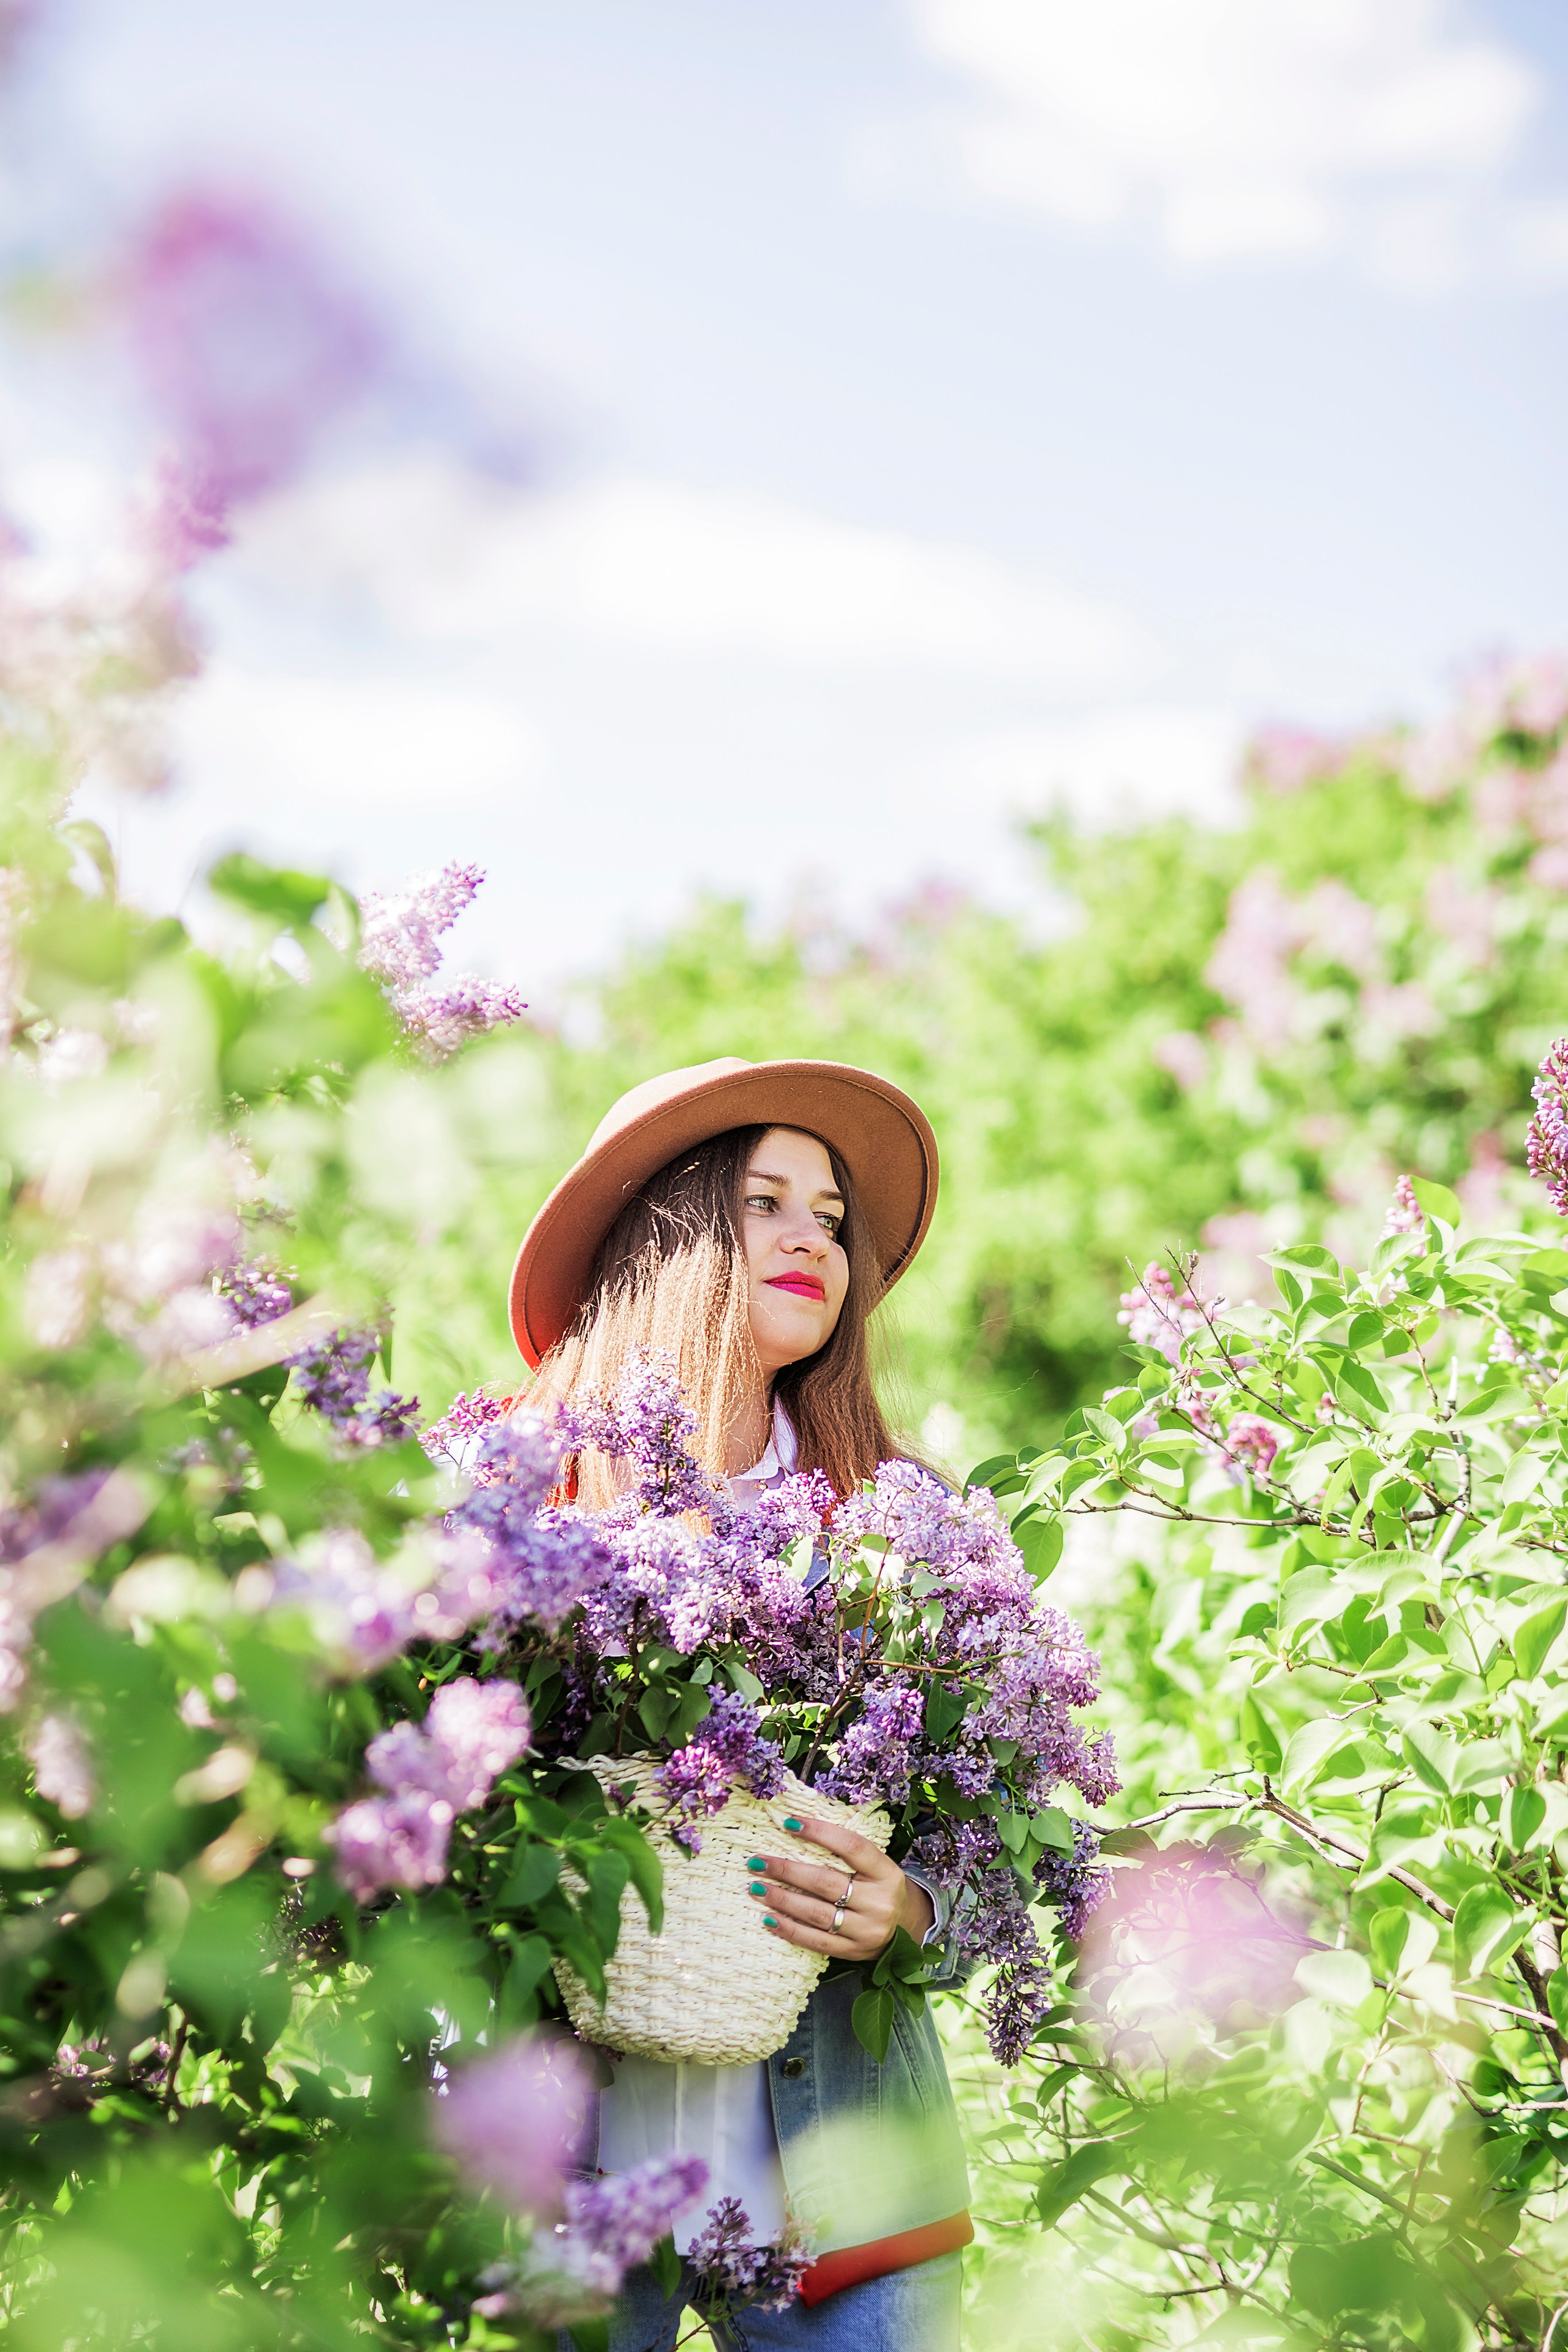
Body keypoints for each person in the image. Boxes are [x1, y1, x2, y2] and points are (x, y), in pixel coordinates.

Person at [509, 1057, 970, 2351]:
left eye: (829, 1217)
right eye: (763, 1201)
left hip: (847, 2192)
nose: (808, 1239)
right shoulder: (521, 1499)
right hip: (565, 2195)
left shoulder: (895, 1517)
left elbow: (1004, 1829)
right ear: (666, 1234)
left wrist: (913, 1908)